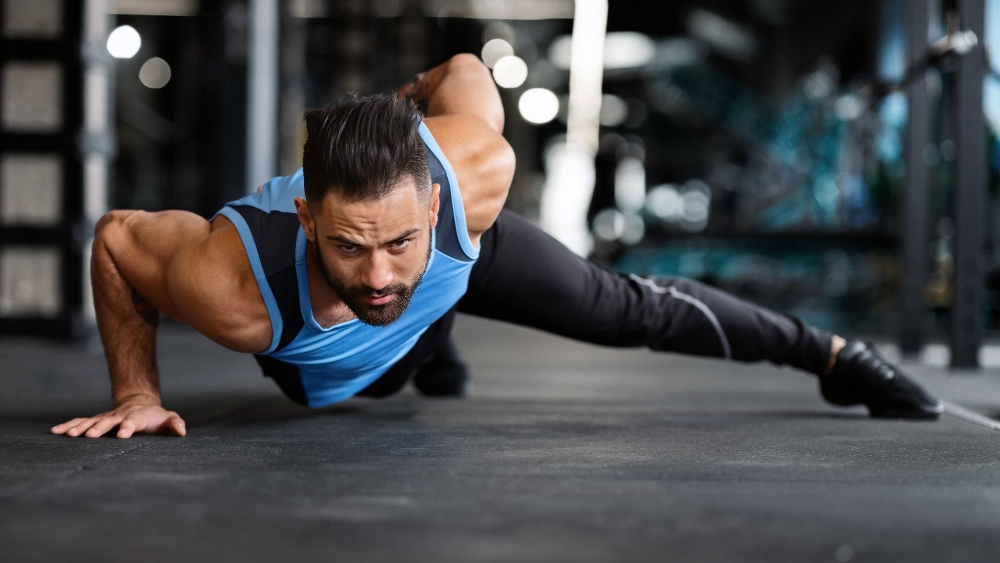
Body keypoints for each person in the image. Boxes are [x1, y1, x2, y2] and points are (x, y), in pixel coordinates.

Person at [51, 54, 943, 440]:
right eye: (350, 246)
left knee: (620, 305)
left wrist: (402, 105)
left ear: (436, 197)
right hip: (336, 365)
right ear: (312, 221)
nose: (381, 271)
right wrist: (135, 390)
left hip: (462, 260)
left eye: (398, 237)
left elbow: (460, 69)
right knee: (388, 368)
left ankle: (827, 354)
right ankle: (431, 344)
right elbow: (117, 239)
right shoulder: (234, 284)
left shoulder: (474, 164)